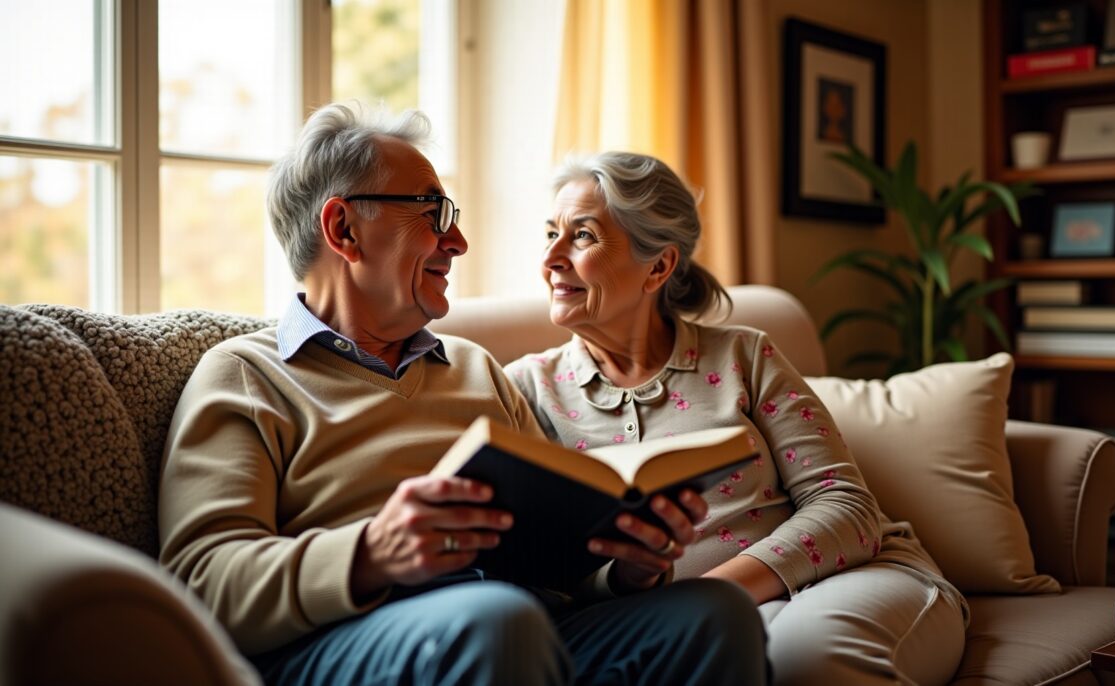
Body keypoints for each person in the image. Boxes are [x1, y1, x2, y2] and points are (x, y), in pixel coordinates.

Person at [157, 104, 769, 686]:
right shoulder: (245, 374)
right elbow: (200, 581)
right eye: (433, 214)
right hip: (352, 637)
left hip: (514, 625)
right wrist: (369, 553)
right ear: (343, 227)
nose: (458, 244)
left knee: (715, 614)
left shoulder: (476, 368)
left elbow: (558, 569)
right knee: (497, 621)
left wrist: (629, 571)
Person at [504, 151, 970, 685]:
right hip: (666, 623)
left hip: (841, 580)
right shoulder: (527, 390)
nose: (551, 258)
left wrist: (706, 599)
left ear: (658, 266)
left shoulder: (744, 357)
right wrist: (631, 580)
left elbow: (847, 509)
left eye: (582, 236)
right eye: (550, 234)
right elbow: (545, 572)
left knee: (803, 660)